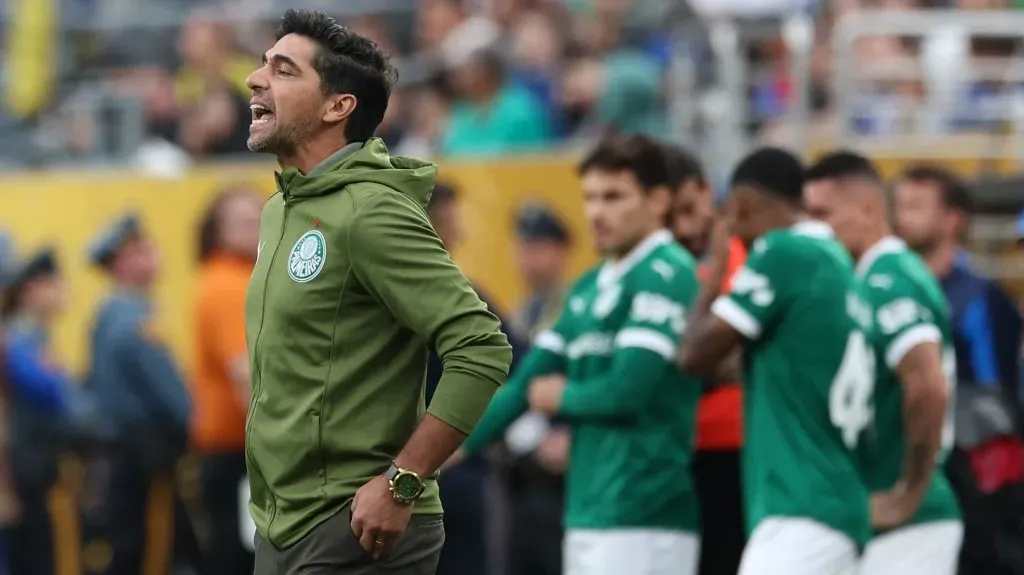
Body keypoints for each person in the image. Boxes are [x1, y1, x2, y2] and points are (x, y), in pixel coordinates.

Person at [243, 9, 512, 575]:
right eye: (264, 64)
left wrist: (403, 482)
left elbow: (481, 346)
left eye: (284, 70)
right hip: (282, 523)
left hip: (354, 522)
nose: (255, 79)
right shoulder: (279, 211)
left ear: (337, 107)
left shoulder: (372, 209)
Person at [453, 133, 704, 575]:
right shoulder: (591, 287)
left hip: (644, 512)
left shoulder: (667, 273)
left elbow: (629, 390)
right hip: (588, 509)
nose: (597, 212)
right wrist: (438, 454)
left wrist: (562, 397)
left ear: (659, 201)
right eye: (590, 197)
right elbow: (524, 387)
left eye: (614, 197)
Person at [677, 147, 872, 575]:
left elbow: (692, 354)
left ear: (741, 205)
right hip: (836, 500)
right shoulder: (835, 260)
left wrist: (715, 270)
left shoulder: (783, 252)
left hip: (800, 505)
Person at [804, 151, 961, 575]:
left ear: (868, 208)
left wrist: (908, 492)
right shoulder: (864, 278)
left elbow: (929, 384)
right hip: (877, 515)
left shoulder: (889, 279)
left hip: (912, 522)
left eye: (824, 214)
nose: (815, 229)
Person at [893, 165, 1024, 574]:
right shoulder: (888, 290)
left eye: (916, 206)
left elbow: (994, 402)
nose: (902, 217)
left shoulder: (980, 298)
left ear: (953, 219)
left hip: (972, 482)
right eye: (899, 205)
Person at [83, 213, 193, 575]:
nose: (153, 256)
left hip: (127, 452)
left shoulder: (110, 314)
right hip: (146, 451)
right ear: (121, 263)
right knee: (153, 548)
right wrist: (193, 421)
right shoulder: (132, 319)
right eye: (141, 250)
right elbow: (173, 398)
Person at [423, 181, 524, 575]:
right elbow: (519, 370)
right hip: (450, 466)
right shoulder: (463, 296)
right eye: (451, 222)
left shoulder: (369, 297)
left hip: (415, 468)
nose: (460, 233)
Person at [664, 144, 747, 575]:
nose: (683, 228)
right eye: (670, 217)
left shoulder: (749, 254)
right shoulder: (661, 269)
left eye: (689, 209)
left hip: (741, 451)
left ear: (705, 189)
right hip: (680, 453)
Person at [189, 187, 262, 575]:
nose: (256, 226)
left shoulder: (233, 278)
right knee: (245, 557)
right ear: (219, 231)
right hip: (241, 453)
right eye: (243, 220)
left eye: (258, 217)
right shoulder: (229, 283)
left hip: (234, 451)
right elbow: (247, 373)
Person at [504, 202, 573, 575]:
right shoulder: (521, 311)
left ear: (560, 251)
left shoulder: (575, 307)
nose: (527, 258)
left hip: (562, 467)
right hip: (519, 470)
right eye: (522, 247)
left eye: (537, 247)